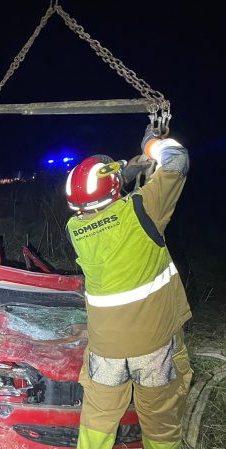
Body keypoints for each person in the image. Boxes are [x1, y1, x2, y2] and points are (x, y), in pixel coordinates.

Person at [65, 125, 193, 449]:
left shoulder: (74, 228)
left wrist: (127, 169)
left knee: (97, 420)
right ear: (113, 187)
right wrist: (152, 144)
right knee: (160, 418)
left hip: (105, 349)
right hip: (154, 347)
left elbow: (101, 196)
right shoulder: (142, 209)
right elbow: (177, 159)